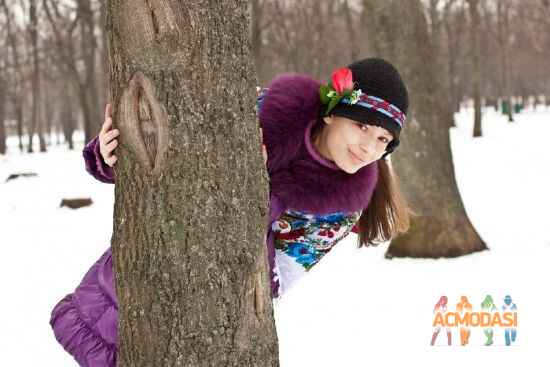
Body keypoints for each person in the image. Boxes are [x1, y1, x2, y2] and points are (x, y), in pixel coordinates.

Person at [50, 57, 412, 366]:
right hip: (125, 289)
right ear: (332, 113)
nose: (369, 148)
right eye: (362, 126)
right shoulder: (258, 110)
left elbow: (271, 284)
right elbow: (169, 159)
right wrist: (113, 154)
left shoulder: (337, 212)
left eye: (383, 139)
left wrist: (253, 193)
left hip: (199, 326)